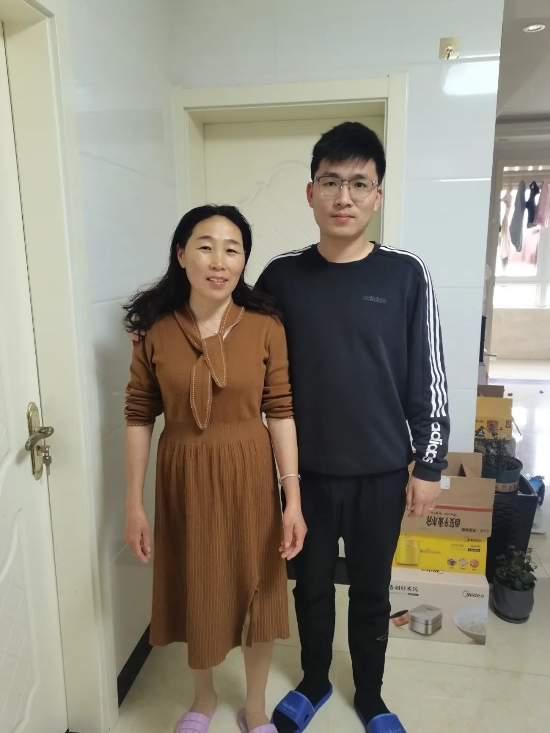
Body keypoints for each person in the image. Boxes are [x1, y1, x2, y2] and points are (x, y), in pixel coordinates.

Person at [256, 122, 450, 733]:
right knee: (311, 588)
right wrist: (156, 320)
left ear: (378, 195)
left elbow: (430, 375)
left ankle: (370, 695)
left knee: (371, 590)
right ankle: (314, 682)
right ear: (310, 193)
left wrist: (430, 464)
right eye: (331, 182)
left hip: (382, 473)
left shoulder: (405, 273)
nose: (344, 197)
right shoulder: (281, 277)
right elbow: (234, 335)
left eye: (359, 183)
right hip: (305, 476)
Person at [123, 204, 307, 733]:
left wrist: (292, 499)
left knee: (259, 591)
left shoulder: (266, 326)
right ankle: (202, 700)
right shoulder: (155, 331)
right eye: (205, 247)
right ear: (181, 255)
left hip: (251, 475)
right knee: (197, 586)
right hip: (184, 476)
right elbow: (139, 414)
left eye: (232, 249)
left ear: (244, 260)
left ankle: (255, 707)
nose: (219, 261)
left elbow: (281, 411)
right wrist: (133, 504)